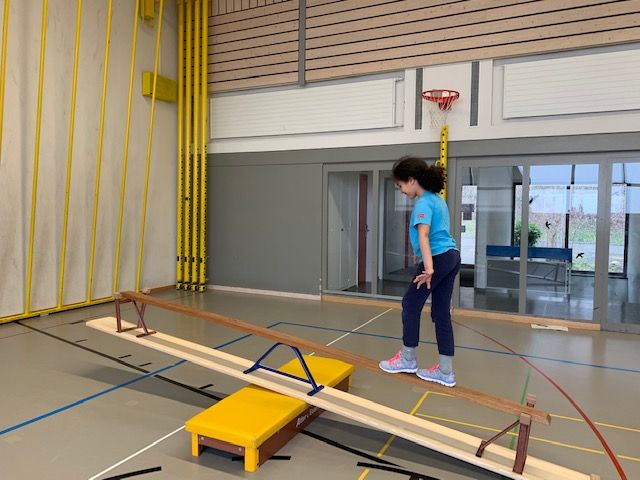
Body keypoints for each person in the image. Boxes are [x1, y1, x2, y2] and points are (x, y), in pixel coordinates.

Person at [379, 156, 461, 387]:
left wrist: (429, 268)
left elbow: (424, 235)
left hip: (437, 258)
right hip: (452, 256)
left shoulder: (424, 203)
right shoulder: (437, 200)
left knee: (410, 304)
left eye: (401, 185)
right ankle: (445, 371)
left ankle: (407, 358)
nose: (401, 190)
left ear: (412, 180)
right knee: (441, 312)